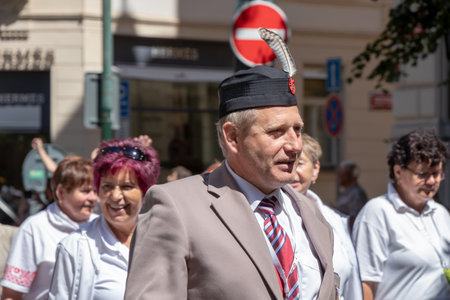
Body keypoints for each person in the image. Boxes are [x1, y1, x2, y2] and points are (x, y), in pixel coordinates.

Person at [125, 43, 338, 298]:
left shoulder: (309, 211)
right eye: (276, 132)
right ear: (233, 137)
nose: (294, 145)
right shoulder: (176, 208)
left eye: (297, 130)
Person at [48, 138, 160, 299]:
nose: (115, 196)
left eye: (126, 186)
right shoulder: (74, 247)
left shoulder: (167, 239)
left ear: (145, 191)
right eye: (107, 186)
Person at [352, 129, 450, 300]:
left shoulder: (440, 214)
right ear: (398, 172)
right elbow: (364, 284)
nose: (432, 181)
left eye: (436, 174)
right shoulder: (378, 212)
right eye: (423, 174)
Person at [1, 156, 98, 300]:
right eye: (85, 191)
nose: (93, 198)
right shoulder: (35, 228)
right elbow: (11, 294)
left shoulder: (101, 225)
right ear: (60, 193)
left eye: (96, 191)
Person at [290, 134, 363, 300]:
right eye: (286, 162)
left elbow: (352, 282)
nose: (292, 170)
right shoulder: (270, 217)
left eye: (299, 163)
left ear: (315, 169)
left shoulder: (334, 220)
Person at [335, 160, 368, 227]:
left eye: (341, 174)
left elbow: (354, 219)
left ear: (349, 175)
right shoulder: (346, 192)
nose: (339, 177)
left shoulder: (357, 194)